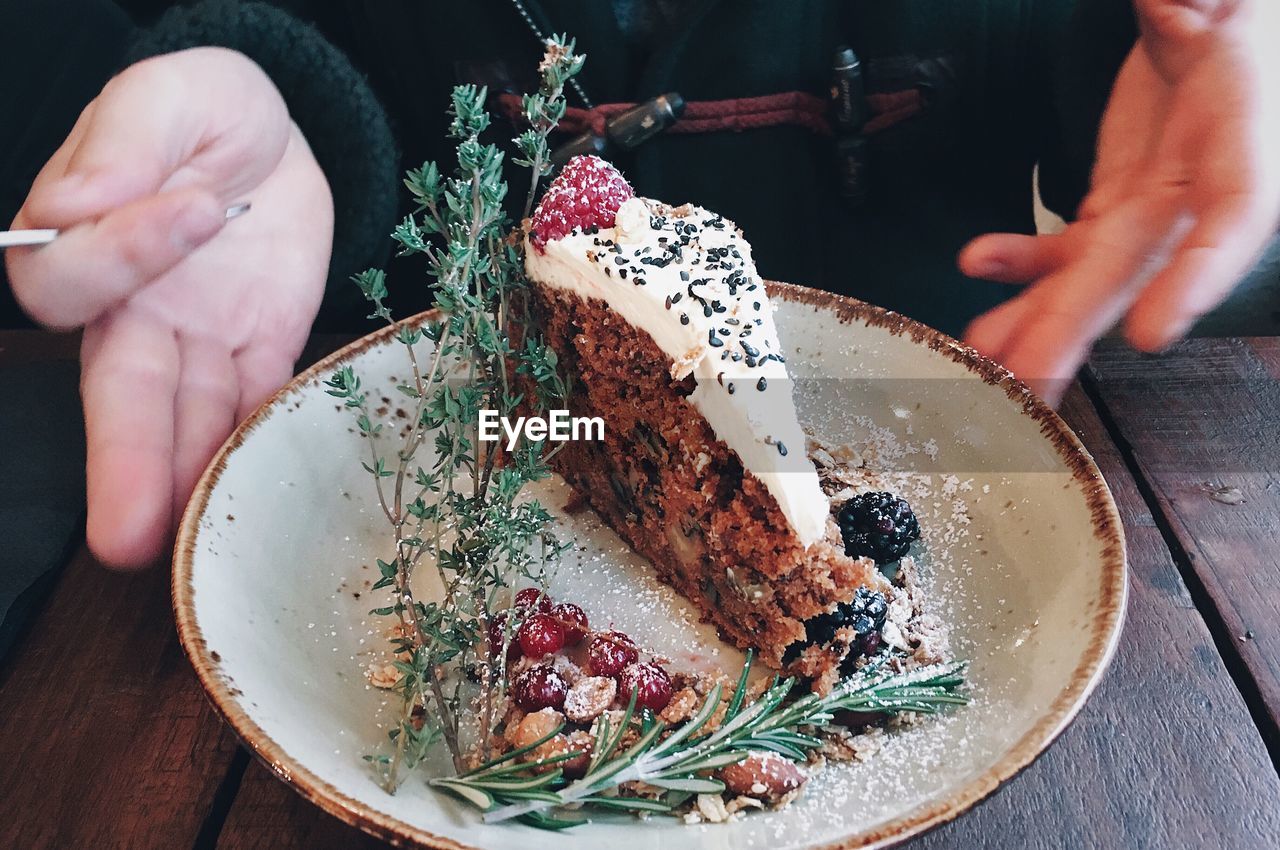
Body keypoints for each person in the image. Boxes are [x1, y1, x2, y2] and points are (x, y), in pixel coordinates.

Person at [3, 0, 1279, 572]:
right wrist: (200, 104)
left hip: (971, 453)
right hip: (423, 447)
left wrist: (1223, 93)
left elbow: (1185, 118)